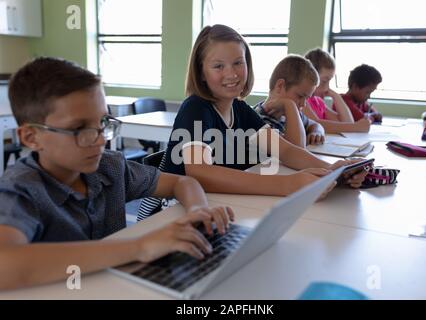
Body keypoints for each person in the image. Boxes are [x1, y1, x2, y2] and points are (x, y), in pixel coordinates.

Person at [0, 57, 234, 290]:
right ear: (31, 137)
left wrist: (197, 210)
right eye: (79, 128)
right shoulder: (20, 189)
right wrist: (139, 246)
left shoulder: (109, 167)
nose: (101, 139)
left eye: (103, 122)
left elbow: (183, 182)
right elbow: (5, 266)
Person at [155, 25, 366, 209]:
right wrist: (288, 185)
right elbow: (200, 172)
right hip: (170, 211)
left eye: (238, 62)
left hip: (213, 204)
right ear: (201, 72)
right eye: (218, 66)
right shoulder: (195, 108)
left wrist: (331, 170)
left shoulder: (240, 109)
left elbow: (284, 150)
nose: (232, 74)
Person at [253, 54, 325, 148]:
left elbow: (315, 124)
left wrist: (317, 132)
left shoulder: (287, 115)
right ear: (280, 86)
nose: (303, 104)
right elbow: (297, 150)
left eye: (306, 98)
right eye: (300, 96)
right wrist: (289, 104)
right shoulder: (259, 120)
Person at [304, 48, 370, 133]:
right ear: (310, 77)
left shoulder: (319, 102)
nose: (327, 87)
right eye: (324, 81)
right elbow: (315, 124)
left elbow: (348, 122)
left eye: (330, 80)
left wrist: (336, 96)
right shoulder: (301, 101)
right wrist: (357, 127)